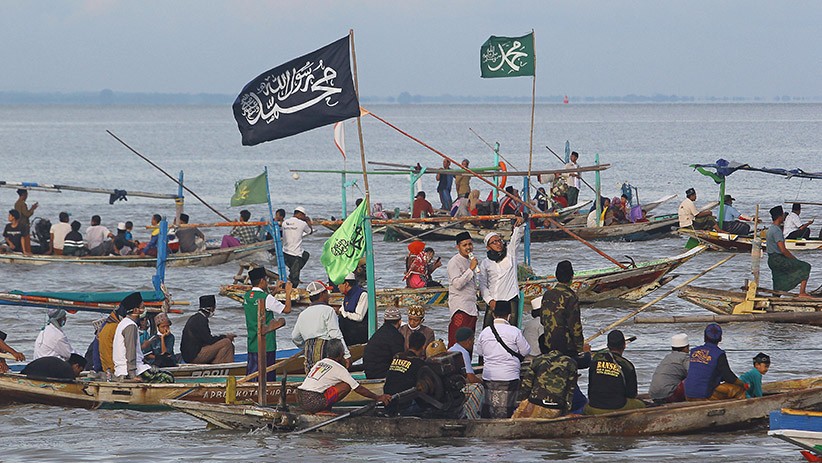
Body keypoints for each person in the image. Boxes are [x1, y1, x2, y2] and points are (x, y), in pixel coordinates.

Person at [297, 338, 391, 413]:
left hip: (300, 397)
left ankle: (318, 409)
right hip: (313, 400)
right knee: (346, 385)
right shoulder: (339, 368)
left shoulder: (320, 363)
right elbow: (358, 388)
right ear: (341, 354)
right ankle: (323, 409)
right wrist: (378, 397)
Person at [475, 301, 530, 418]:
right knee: (507, 411)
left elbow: (480, 352)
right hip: (509, 377)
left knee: (491, 409)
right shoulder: (515, 331)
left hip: (489, 377)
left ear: (494, 315)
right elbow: (526, 351)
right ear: (509, 315)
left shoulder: (484, 332)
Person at [112, 292, 174, 383]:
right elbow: (130, 351)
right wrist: (132, 375)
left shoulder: (124, 323)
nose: (144, 309)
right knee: (168, 377)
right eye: (142, 307)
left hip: (126, 368)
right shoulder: (130, 326)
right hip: (130, 370)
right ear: (136, 310)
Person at [513, 334, 579, 419]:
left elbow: (526, 386)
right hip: (556, 407)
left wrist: (522, 403)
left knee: (516, 419)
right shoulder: (571, 363)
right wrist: (565, 411)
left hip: (536, 403)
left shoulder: (538, 360)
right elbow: (570, 390)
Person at [244, 266, 292, 381]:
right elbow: (287, 310)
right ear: (262, 281)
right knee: (267, 375)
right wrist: (288, 292)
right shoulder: (266, 298)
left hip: (252, 342)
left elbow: (263, 302)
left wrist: (275, 291)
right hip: (267, 343)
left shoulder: (247, 296)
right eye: (266, 280)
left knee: (252, 375)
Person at [292, 280, 350, 372]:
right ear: (322, 294)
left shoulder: (303, 314)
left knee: (312, 377)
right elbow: (335, 334)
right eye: (327, 293)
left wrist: (305, 347)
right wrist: (346, 355)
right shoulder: (328, 310)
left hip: (309, 353)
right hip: (325, 351)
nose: (329, 295)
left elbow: (295, 337)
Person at [478, 216, 525, 328]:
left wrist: (519, 224)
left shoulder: (510, 254)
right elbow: (483, 285)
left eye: (499, 240)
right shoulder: (485, 263)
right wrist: (490, 301)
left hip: (510, 297)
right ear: (488, 247)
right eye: (494, 242)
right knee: (487, 329)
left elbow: (516, 238)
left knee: (512, 329)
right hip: (494, 300)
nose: (498, 244)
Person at [584, 330, 645, 414]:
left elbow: (590, 386)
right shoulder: (627, 366)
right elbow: (631, 394)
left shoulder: (595, 360)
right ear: (624, 345)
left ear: (608, 346)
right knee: (641, 404)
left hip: (593, 407)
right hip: (617, 407)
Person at [684, 324, 746, 401]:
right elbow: (729, 377)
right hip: (704, 395)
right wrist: (744, 384)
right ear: (720, 338)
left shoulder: (694, 351)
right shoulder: (719, 354)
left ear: (704, 337)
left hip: (687, 393)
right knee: (738, 389)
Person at [539, 260, 583, 358]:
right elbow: (575, 326)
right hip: (566, 347)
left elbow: (542, 320)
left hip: (548, 344)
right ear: (572, 276)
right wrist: (580, 348)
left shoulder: (547, 294)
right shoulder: (571, 296)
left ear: (556, 276)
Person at [766, 205, 812, 297]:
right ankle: (802, 293)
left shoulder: (771, 228)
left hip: (771, 259)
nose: (784, 216)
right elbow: (783, 250)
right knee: (805, 266)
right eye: (783, 215)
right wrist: (794, 259)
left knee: (777, 279)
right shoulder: (776, 231)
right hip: (778, 259)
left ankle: (776, 296)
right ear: (779, 217)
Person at [180, 295, 236, 365]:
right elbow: (209, 340)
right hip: (194, 356)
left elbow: (205, 339)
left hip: (189, 355)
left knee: (227, 344)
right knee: (226, 342)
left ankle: (218, 364)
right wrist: (225, 337)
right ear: (212, 308)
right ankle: (226, 367)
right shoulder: (201, 320)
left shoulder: (195, 317)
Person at [383, 331, 428, 416]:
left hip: (388, 402)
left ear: (408, 344)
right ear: (423, 347)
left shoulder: (397, 357)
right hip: (404, 406)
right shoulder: (419, 364)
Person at [447, 231, 479, 347]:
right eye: (464, 245)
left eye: (470, 244)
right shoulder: (454, 262)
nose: (468, 248)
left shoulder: (471, 260)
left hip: (471, 308)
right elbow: (457, 284)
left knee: (469, 343)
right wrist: (470, 269)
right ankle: (455, 365)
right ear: (458, 247)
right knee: (457, 342)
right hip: (460, 308)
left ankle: (467, 364)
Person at [363, 307, 405, 379]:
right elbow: (399, 360)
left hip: (369, 372)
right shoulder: (396, 336)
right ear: (399, 322)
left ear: (384, 320)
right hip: (382, 373)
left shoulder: (378, 334)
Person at [648, 333, 690, 404]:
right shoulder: (685, 358)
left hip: (653, 394)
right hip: (669, 395)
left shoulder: (667, 357)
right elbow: (693, 374)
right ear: (686, 348)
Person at [282, 207, 313, 287]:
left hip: (285, 252)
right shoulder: (302, 223)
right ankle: (291, 292)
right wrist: (308, 221)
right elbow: (310, 231)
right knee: (295, 279)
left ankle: (292, 273)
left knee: (306, 255)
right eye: (304, 216)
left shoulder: (285, 222)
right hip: (295, 253)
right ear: (300, 214)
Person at [337, 273, 369, 346]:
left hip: (359, 332)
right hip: (349, 330)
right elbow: (342, 310)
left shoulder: (363, 295)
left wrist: (344, 313)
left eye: (339, 284)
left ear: (346, 284)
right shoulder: (347, 295)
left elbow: (359, 317)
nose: (338, 287)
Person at [20, 353, 86, 380]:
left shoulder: (60, 364)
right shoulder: (68, 369)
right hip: (32, 377)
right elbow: (72, 384)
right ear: (76, 366)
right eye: (80, 371)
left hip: (25, 373)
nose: (78, 374)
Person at [14, 189, 37, 254]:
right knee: (26, 239)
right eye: (26, 194)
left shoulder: (16, 203)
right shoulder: (22, 204)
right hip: (24, 224)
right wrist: (32, 208)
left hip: (19, 223)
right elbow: (27, 214)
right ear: (24, 195)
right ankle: (27, 252)